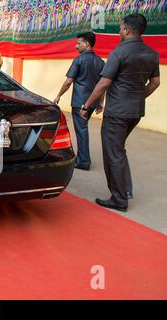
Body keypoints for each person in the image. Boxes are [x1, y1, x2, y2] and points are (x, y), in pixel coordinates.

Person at [81, 14, 160, 212]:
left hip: (117, 111)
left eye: (120, 28)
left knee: (113, 152)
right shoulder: (151, 53)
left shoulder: (119, 52)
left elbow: (104, 83)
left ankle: (119, 199)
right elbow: (155, 82)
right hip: (135, 111)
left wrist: (86, 105)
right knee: (119, 149)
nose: (119, 31)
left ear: (126, 30)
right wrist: (138, 97)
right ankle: (125, 190)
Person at [54, 32, 105, 171]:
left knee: (81, 130)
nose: (76, 46)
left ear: (87, 44)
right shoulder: (100, 62)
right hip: (92, 102)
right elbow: (103, 84)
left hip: (80, 102)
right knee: (83, 129)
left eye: (79, 43)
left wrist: (59, 95)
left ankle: (83, 161)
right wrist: (100, 102)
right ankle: (83, 158)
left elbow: (69, 80)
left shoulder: (79, 60)